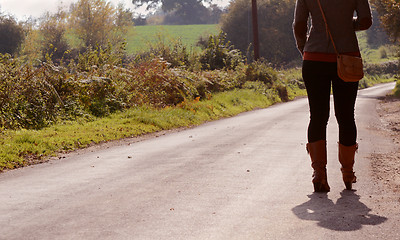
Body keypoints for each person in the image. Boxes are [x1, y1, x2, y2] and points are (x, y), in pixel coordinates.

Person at [292, 0, 372, 192]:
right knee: (346, 117)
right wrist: (345, 24)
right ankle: (347, 173)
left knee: (318, 117)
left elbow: (299, 25)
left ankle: (319, 173)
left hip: (314, 58)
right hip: (347, 57)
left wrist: (304, 49)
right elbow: (366, 21)